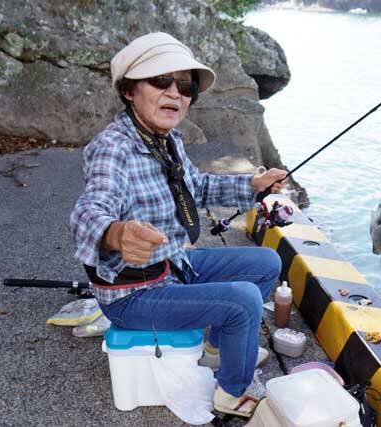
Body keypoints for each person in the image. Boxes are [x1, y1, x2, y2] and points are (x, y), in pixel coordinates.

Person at [69, 32, 287, 418]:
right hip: (133, 294)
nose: (175, 93)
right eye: (160, 80)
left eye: (185, 86)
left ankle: (218, 348)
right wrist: (115, 234)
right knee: (244, 301)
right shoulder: (113, 148)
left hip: (172, 265)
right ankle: (233, 392)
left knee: (267, 263)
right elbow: (90, 209)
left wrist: (252, 186)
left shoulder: (167, 140)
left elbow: (196, 187)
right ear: (129, 91)